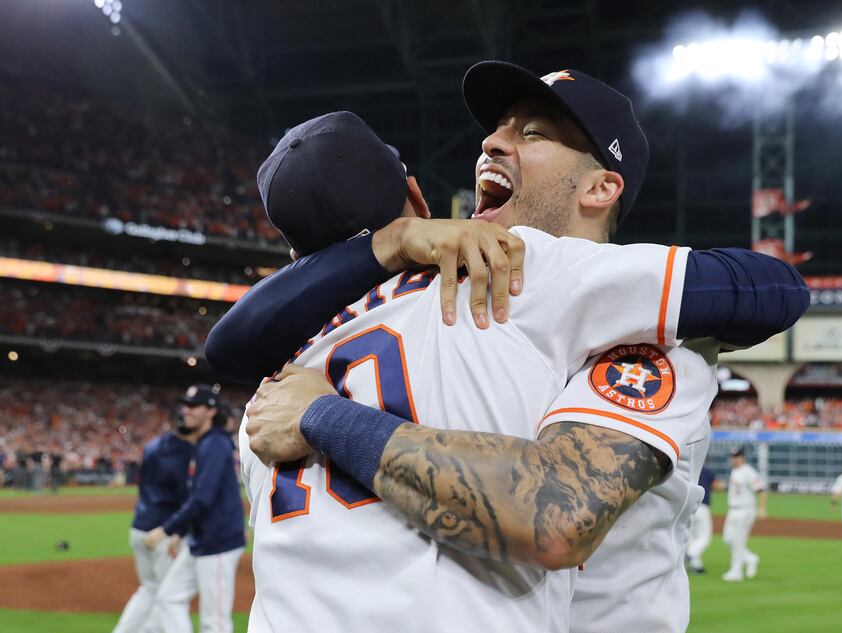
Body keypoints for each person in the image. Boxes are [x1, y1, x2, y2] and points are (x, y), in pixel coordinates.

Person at [234, 63, 809, 633]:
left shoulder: (285, 369)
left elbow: (554, 512)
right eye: (496, 130)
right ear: (415, 197)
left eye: (532, 133)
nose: (490, 142)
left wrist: (323, 415)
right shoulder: (474, 287)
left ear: (600, 187)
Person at [146, 384, 246, 633]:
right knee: (168, 598)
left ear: (211, 411)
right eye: (185, 405)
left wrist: (167, 530)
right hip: (201, 539)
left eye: (193, 406)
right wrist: (182, 533)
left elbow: (203, 498)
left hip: (219, 541)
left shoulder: (216, 443)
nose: (186, 410)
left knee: (215, 622)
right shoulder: (206, 443)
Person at [112, 411, 196, 633]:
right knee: (169, 596)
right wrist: (179, 531)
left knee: (149, 589)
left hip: (139, 524)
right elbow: (185, 497)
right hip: (164, 530)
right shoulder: (187, 453)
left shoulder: (153, 446)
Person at [720, 447, 766, 581]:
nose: (733, 459)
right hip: (733, 509)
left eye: (736, 457)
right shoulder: (735, 471)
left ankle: (736, 572)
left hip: (745, 509)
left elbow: (761, 490)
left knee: (738, 541)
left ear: (742, 457)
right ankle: (750, 558)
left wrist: (762, 509)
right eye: (732, 457)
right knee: (728, 539)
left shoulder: (749, 472)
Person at [687, 465, 716, 573]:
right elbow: (715, 485)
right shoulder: (707, 470)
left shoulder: (689, 468)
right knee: (704, 538)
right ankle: (690, 554)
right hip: (702, 507)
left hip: (689, 507)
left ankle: (696, 565)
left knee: (692, 537)